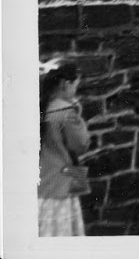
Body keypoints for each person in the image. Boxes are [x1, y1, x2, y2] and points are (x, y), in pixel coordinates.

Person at [39, 56, 90, 237]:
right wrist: (79, 116)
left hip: (41, 185)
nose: (75, 91)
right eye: (75, 86)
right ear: (64, 84)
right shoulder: (65, 112)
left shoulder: (41, 107)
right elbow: (81, 144)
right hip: (61, 187)